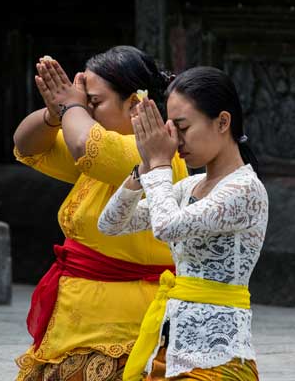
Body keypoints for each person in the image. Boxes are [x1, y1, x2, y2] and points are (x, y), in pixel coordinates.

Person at [13, 46, 188, 381]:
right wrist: (54, 114)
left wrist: (72, 106)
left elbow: (86, 147)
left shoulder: (151, 152)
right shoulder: (103, 151)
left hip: (125, 325)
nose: (84, 112)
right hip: (79, 317)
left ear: (135, 104)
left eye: (94, 102)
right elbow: (27, 146)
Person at [98, 66, 269, 381]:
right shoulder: (191, 186)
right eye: (170, 129)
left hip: (220, 357)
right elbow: (110, 224)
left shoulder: (245, 189)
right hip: (171, 349)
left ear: (222, 122)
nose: (175, 140)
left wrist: (161, 165)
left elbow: (166, 227)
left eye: (183, 127)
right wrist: (144, 167)